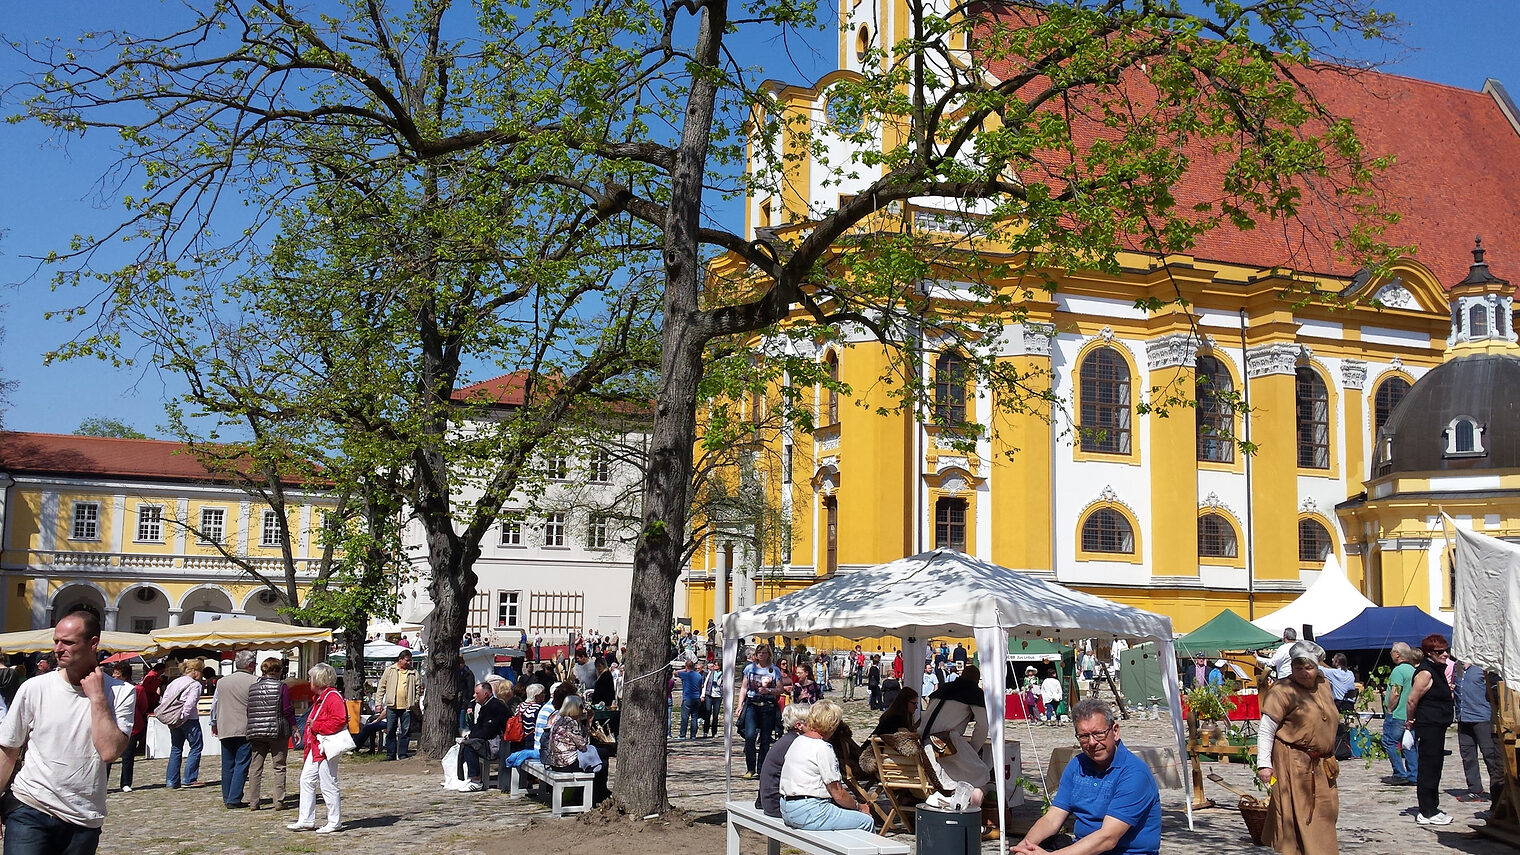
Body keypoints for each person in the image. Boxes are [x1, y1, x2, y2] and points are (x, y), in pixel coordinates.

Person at [0, 612, 132, 854]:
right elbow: (8, 748)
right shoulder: (34, 687)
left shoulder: (122, 693)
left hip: (83, 817)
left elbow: (109, 751)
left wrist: (98, 698)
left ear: (93, 643)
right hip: (30, 806)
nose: (58, 649)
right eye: (56, 641)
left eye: (68, 642)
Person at [1014, 698, 1161, 855]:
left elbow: (1108, 838)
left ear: (1115, 731)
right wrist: (1025, 847)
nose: (1092, 742)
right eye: (1084, 736)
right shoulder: (1076, 765)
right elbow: (1052, 818)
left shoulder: (1134, 774)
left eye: (1098, 734)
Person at [1253, 641, 1339, 854]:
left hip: (1322, 763)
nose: (1303, 673)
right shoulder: (1282, 691)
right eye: (1297, 668)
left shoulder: (1323, 684)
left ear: (1317, 666)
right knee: (1300, 815)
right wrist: (1264, 764)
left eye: (1308, 667)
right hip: (1294, 761)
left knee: (1326, 813)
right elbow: (1266, 729)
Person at [777, 700, 874, 832]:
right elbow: (838, 793)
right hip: (810, 810)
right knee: (866, 821)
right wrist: (859, 807)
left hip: (787, 807)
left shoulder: (798, 740)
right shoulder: (823, 748)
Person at [920, 664, 993, 829]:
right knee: (981, 775)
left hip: (924, 742)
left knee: (961, 776)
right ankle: (973, 821)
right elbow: (983, 725)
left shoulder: (945, 687)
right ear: (976, 680)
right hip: (945, 743)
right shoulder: (974, 692)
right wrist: (973, 749)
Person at [288, 662, 345, 834]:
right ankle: (306, 819)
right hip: (316, 747)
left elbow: (340, 720)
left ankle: (334, 821)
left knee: (328, 782)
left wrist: (316, 724)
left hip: (325, 746)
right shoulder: (322, 698)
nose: (309, 681)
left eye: (311, 678)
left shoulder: (332, 697)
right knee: (306, 780)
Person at [1405, 633, 1455, 826]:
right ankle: (1427, 810)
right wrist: (1410, 721)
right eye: (1439, 651)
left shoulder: (1437, 669)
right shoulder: (1426, 673)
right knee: (1429, 767)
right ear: (1429, 653)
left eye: (1446, 650)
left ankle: (1432, 807)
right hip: (1429, 725)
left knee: (1435, 766)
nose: (1444, 654)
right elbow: (1412, 699)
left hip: (1437, 725)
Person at [246, 657, 295, 810]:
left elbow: (249, 710)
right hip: (277, 729)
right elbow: (287, 709)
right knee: (279, 766)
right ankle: (278, 800)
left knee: (255, 767)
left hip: (257, 730)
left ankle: (253, 801)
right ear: (277, 671)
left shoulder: (253, 688)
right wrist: (294, 727)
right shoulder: (281, 687)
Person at [211, 650, 258, 809]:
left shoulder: (222, 682)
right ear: (250, 664)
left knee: (227, 764)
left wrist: (214, 722)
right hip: (245, 726)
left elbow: (215, 704)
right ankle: (234, 797)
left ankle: (227, 796)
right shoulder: (255, 681)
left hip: (225, 725)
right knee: (241, 764)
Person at [1454, 660, 1503, 803]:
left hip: (1483, 717)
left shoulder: (1484, 666)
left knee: (1490, 756)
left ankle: (1498, 792)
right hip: (1463, 717)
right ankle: (1475, 789)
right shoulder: (1458, 666)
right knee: (1468, 755)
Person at [157, 657, 207, 788]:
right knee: (196, 747)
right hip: (188, 719)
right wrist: (182, 718)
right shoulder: (195, 685)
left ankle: (171, 780)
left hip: (173, 719)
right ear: (196, 671)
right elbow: (190, 704)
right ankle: (189, 778)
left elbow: (165, 700)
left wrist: (173, 718)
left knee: (176, 748)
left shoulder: (174, 682)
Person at [758, 702, 811, 817]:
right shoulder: (794, 743)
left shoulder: (788, 739)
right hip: (777, 805)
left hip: (769, 801)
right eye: (811, 722)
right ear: (799, 725)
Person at [457, 681, 509, 791]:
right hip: (490, 740)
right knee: (466, 743)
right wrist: (470, 735)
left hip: (499, 744)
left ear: (485, 694)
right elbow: (478, 727)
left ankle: (476, 780)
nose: (474, 696)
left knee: (469, 746)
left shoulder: (495, 707)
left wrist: (471, 737)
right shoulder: (485, 706)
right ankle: (466, 777)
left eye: (477, 693)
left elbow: (488, 731)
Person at [742, 645, 784, 779]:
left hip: (767, 705)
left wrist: (769, 691)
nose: (761, 655)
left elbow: (780, 689)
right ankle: (750, 768)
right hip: (752, 704)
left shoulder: (774, 670)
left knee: (765, 739)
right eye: (759, 653)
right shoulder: (749, 669)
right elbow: (744, 687)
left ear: (768, 654)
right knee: (749, 736)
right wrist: (739, 705)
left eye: (764, 653)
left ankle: (761, 769)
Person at [1380, 642, 1418, 785]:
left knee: (1389, 741)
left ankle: (1399, 773)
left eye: (1392, 652)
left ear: (1397, 654)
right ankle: (1414, 774)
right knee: (1409, 744)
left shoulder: (1398, 671)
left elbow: (1396, 692)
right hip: (1410, 713)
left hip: (1397, 714)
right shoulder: (1413, 670)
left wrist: (1390, 709)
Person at [376, 649, 420, 760]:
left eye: (410, 661)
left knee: (405, 732)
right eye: (407, 660)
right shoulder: (390, 670)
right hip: (392, 706)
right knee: (390, 731)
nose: (409, 663)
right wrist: (378, 703)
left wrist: (415, 701)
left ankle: (402, 754)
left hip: (407, 707)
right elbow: (381, 687)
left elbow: (418, 688)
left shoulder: (413, 672)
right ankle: (390, 754)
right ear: (400, 660)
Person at [109, 661, 145, 793]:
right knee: (108, 756)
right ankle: (104, 782)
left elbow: (143, 706)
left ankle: (126, 782)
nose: (114, 675)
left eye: (117, 673)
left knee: (128, 756)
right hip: (111, 724)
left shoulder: (136, 689)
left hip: (131, 725)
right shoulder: (110, 687)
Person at [677, 658, 705, 740]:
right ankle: (693, 735)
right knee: (694, 717)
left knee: (685, 718)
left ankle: (682, 735)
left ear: (686, 667)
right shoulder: (699, 676)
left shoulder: (685, 674)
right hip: (696, 698)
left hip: (687, 698)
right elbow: (701, 686)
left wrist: (685, 669)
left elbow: (675, 673)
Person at [700, 660, 724, 738]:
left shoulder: (723, 674)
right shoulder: (711, 673)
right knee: (708, 713)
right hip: (709, 695)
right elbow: (706, 683)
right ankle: (705, 731)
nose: (715, 667)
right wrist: (703, 695)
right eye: (714, 665)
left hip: (718, 696)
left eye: (716, 665)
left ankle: (714, 732)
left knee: (715, 715)